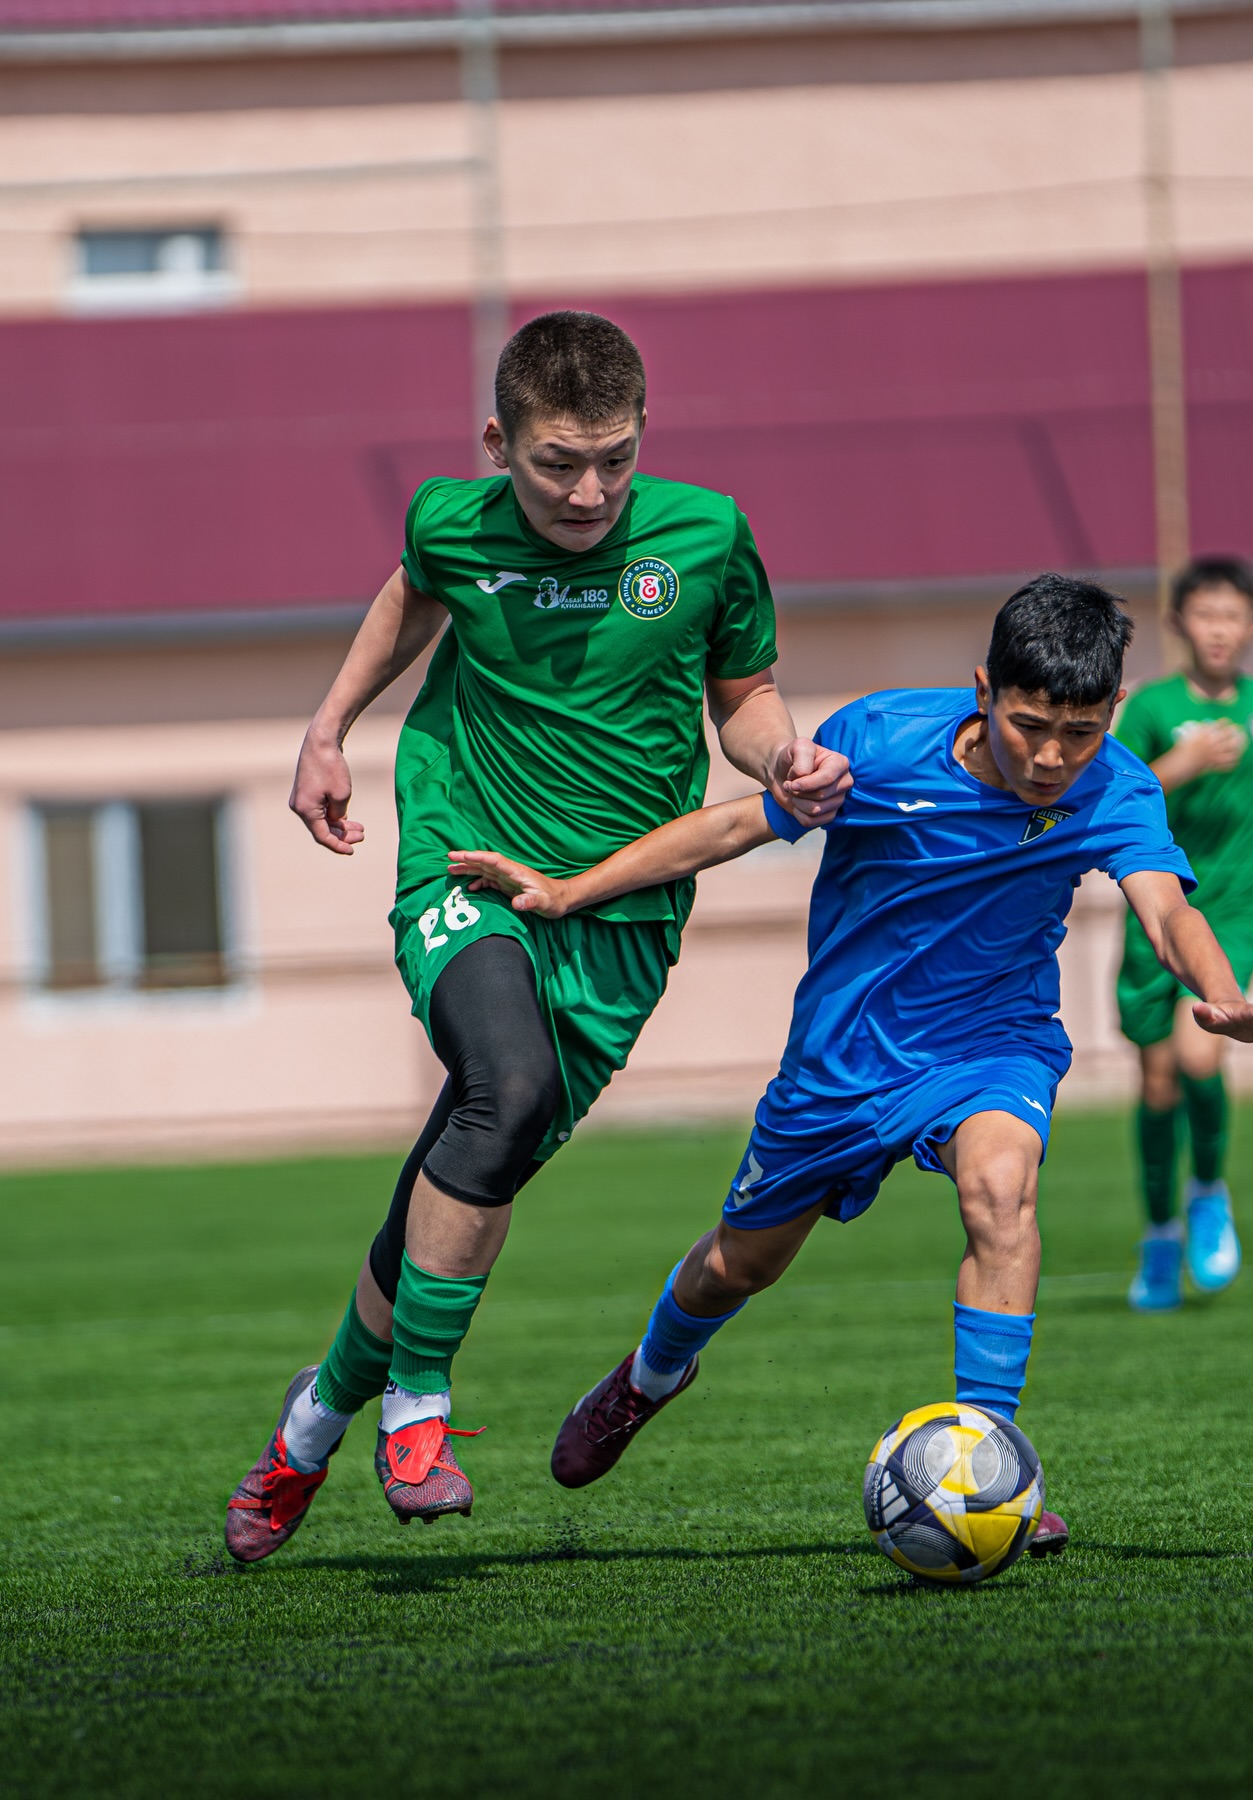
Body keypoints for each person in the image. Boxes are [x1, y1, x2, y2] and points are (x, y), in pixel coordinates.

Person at [450, 576, 1253, 1547]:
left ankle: (988, 1465)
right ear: (984, 690)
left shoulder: (1116, 783)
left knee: (1002, 1192)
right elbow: (736, 825)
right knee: (738, 1266)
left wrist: (1219, 991)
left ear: (1111, 713)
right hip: (845, 1062)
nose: (1053, 756)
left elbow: (1167, 907)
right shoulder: (879, 741)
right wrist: (570, 894)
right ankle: (646, 1378)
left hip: (995, 1045)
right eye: (1031, 726)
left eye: (1078, 731)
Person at [224, 311, 851, 1563]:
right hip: (466, 853)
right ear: (498, 442)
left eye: (615, 458)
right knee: (500, 1091)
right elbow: (414, 593)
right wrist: (328, 726)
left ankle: (313, 1421)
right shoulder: (452, 518)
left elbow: (743, 696)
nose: (589, 489)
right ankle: (419, 1411)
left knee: (468, 1163)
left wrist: (784, 753)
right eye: (558, 462)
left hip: (621, 907)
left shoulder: (709, 536)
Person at [1115, 557, 1253, 1313]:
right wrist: (1182, 764)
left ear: (1252, 627)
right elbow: (1120, 793)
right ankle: (1159, 1237)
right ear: (1179, 624)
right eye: (1206, 614)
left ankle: (1208, 1193)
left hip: (1236, 906)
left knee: (1200, 1051)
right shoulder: (1154, 707)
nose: (1220, 629)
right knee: (1157, 1081)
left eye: (1233, 616)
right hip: (1161, 903)